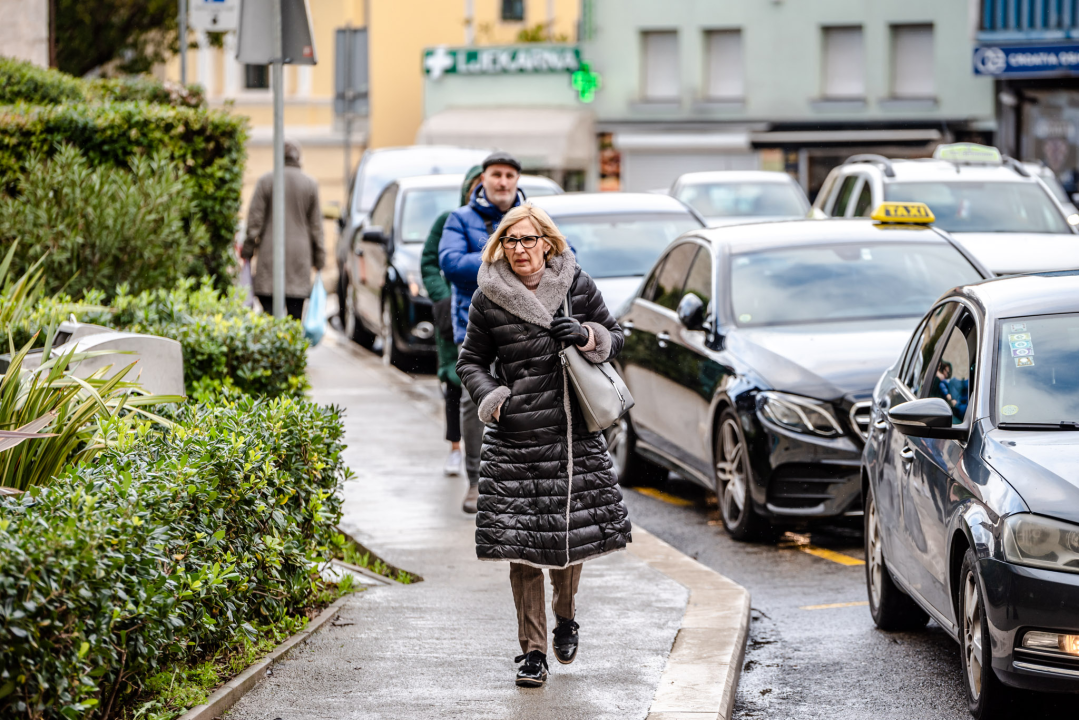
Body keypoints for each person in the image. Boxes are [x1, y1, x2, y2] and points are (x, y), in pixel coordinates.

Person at [456, 203, 632, 688]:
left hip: (572, 433)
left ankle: (566, 617)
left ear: (547, 243)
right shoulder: (488, 296)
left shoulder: (576, 284)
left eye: (528, 240)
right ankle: (532, 653)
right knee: (522, 546)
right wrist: (495, 399)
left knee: (566, 539)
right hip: (515, 438)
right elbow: (470, 361)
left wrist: (586, 335)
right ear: (500, 247)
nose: (519, 250)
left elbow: (617, 337)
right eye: (510, 242)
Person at [439, 151, 526, 513]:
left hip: (525, 325)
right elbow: (450, 263)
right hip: (473, 324)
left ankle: (517, 480)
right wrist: (504, 255)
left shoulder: (530, 218)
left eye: (509, 175)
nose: (502, 182)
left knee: (524, 401)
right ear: (483, 179)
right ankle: (475, 482)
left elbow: (563, 252)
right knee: (474, 401)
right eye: (496, 175)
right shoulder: (460, 218)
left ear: (517, 180)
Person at [421, 165, 483, 476]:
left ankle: (482, 450)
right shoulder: (450, 221)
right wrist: (443, 297)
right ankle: (455, 447)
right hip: (455, 315)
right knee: (455, 381)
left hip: (487, 315)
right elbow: (431, 262)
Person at [242, 139, 325, 320]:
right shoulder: (310, 184)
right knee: (295, 318)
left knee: (269, 318)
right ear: (299, 158)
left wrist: (247, 252)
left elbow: (254, 223)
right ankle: (292, 347)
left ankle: (273, 347)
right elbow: (316, 228)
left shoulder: (266, 181)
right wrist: (320, 261)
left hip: (270, 258)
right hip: (299, 260)